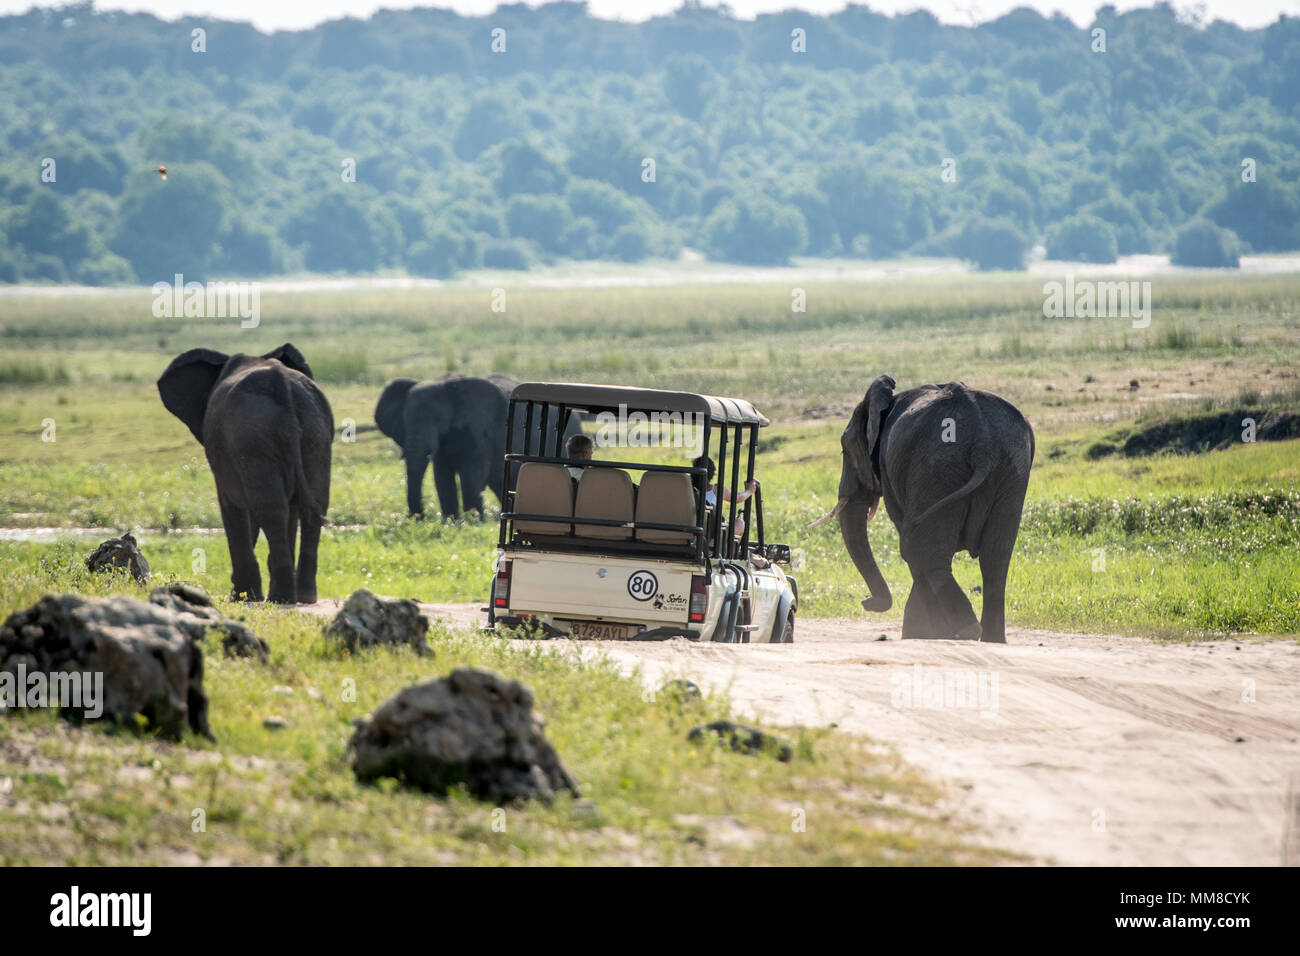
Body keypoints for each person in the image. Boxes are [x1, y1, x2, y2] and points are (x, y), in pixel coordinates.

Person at [693, 455, 757, 540]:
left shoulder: (687, 488)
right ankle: (728, 551)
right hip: (711, 535)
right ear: (712, 474)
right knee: (740, 523)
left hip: (692, 531)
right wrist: (749, 490)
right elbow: (737, 498)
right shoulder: (716, 490)